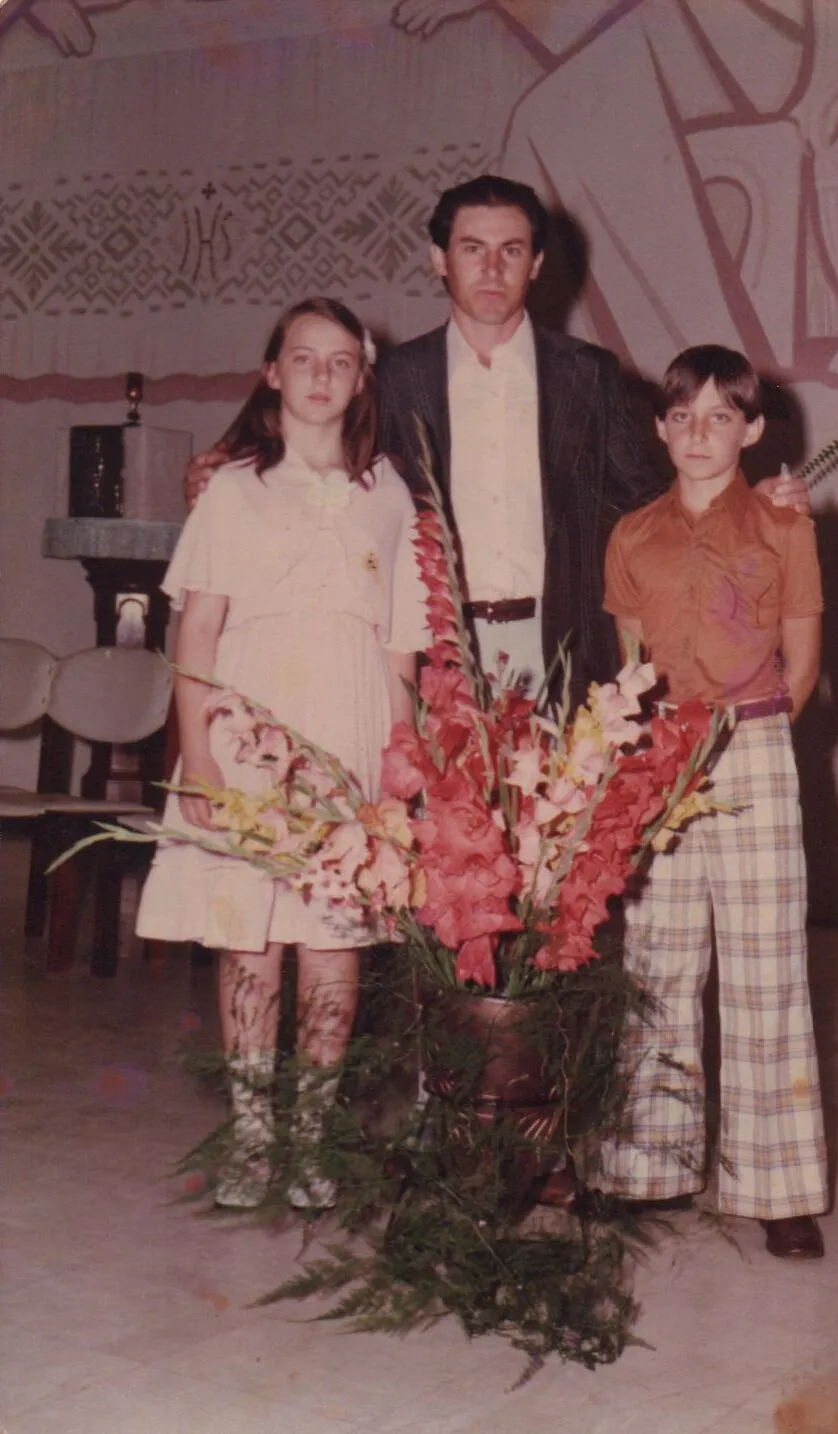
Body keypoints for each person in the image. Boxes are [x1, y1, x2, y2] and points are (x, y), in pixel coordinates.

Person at [186, 175, 810, 709]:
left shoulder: (588, 374)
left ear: (536, 264)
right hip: (436, 652)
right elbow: (324, 459)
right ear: (439, 259)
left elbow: (652, 500)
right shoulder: (398, 378)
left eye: (511, 250)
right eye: (472, 249)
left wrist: (743, 500)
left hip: (564, 646)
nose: (491, 269)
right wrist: (232, 458)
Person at [137, 297, 427, 1211]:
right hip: (246, 726)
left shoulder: (389, 493)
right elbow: (199, 628)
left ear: (361, 376)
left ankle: (313, 1137)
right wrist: (199, 758)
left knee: (334, 940)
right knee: (251, 937)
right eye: (302, 359)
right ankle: (254, 1137)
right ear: (272, 372)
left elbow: (399, 649)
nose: (320, 376)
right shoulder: (231, 488)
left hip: (345, 732)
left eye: (340, 361)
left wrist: (400, 761)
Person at [600, 344, 828, 1259]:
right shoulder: (631, 535)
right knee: (657, 963)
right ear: (660, 427)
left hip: (753, 745)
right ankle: (645, 1167)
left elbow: (804, 659)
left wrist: (750, 737)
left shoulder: (784, 525)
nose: (699, 433)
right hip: (660, 759)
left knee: (765, 968)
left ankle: (774, 1189)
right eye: (682, 416)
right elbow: (630, 664)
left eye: (719, 417)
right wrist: (657, 756)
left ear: (752, 429)